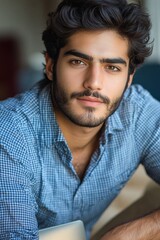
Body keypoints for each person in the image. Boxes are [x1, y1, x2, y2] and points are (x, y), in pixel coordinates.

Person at [0, 0, 160, 239]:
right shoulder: (10, 131)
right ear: (51, 66)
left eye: (112, 68)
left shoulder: (137, 112)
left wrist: (129, 234)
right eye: (78, 62)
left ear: (129, 78)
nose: (94, 82)